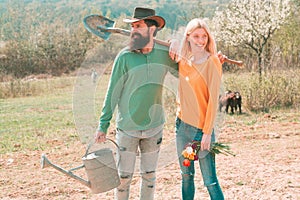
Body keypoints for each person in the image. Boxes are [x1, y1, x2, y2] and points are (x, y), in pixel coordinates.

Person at [94, 7, 178, 200]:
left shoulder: (164, 54)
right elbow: (112, 94)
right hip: (127, 129)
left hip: (154, 128)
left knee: (149, 176)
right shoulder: (124, 57)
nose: (133, 30)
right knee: (123, 178)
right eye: (132, 26)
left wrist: (178, 46)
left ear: (152, 29)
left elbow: (185, 71)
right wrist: (103, 125)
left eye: (138, 26)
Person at [174, 18, 225, 199]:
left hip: (201, 131)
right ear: (188, 37)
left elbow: (213, 100)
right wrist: (174, 44)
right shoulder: (183, 60)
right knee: (186, 176)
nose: (201, 40)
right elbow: (171, 49)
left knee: (210, 181)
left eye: (204, 36)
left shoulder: (212, 62)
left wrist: (207, 133)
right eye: (196, 36)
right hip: (182, 129)